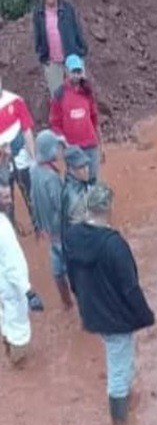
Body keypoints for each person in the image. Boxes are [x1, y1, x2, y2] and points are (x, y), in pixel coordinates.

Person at [64, 181, 155, 425]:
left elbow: (72, 275)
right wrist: (145, 315)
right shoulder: (115, 245)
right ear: (108, 208)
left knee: (119, 355)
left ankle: (127, 396)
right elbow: (130, 288)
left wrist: (80, 300)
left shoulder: (72, 236)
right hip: (116, 316)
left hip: (93, 311)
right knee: (118, 365)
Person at [0, 179, 44, 369]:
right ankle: (17, 361)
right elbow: (13, 265)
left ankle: (8, 345)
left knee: (6, 316)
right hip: (10, 285)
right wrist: (29, 292)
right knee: (18, 325)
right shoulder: (3, 228)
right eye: (5, 197)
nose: (10, 200)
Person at [30, 129, 72, 309]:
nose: (59, 151)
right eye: (57, 147)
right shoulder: (52, 178)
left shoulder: (34, 170)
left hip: (47, 228)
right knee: (72, 265)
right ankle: (78, 301)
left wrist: (38, 225)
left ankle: (66, 302)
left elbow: (33, 198)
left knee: (56, 267)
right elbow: (61, 206)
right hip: (60, 230)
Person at [50, 54, 103, 180]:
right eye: (74, 71)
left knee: (93, 179)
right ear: (67, 71)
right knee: (76, 181)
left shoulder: (87, 91)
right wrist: (64, 145)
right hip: (73, 148)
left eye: (79, 71)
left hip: (90, 144)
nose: (76, 75)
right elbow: (55, 124)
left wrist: (101, 144)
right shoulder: (59, 95)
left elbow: (94, 118)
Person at [32, 0, 88, 95]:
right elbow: (38, 36)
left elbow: (77, 30)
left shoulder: (67, 9)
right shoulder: (39, 13)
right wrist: (42, 56)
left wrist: (81, 51)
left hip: (71, 58)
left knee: (79, 94)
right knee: (58, 98)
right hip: (52, 62)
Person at [0, 77, 38, 232]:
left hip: (21, 157)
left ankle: (39, 227)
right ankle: (8, 231)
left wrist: (34, 158)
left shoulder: (15, 101)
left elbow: (27, 130)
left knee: (30, 193)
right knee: (6, 200)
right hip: (1, 162)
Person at [61, 145, 94, 231]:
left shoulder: (80, 185)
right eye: (81, 167)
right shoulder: (73, 197)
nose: (86, 170)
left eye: (86, 165)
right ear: (70, 169)